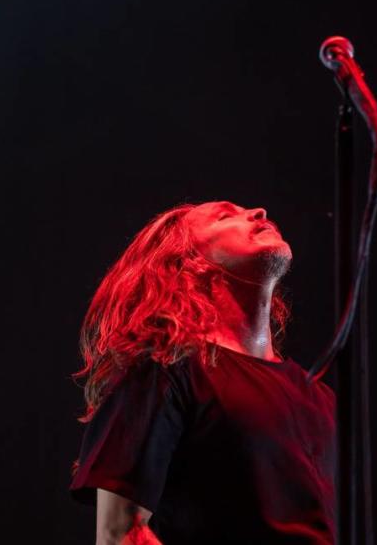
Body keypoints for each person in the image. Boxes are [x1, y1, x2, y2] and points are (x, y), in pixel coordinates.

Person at [69, 201, 336, 544]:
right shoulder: (166, 370)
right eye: (226, 215)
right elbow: (119, 533)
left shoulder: (320, 396)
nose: (259, 211)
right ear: (190, 263)